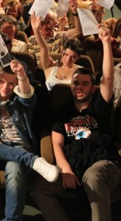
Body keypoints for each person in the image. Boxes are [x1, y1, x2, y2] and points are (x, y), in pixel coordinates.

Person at [31, 27, 120, 221]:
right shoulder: (62, 112)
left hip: (102, 164)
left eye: (85, 84)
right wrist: (66, 170)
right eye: (76, 83)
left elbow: (108, 78)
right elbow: (57, 144)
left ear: (93, 88)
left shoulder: (99, 107)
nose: (79, 87)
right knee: (40, 187)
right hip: (73, 167)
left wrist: (105, 42)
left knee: (92, 177)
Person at [0, 62, 60, 221]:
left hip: (18, 147)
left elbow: (27, 95)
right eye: (2, 82)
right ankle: (32, 160)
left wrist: (22, 75)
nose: (5, 87)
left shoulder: (21, 100)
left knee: (15, 168)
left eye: (11, 83)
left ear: (16, 84)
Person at [31, 13, 82, 91]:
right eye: (42, 23)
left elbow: (77, 31)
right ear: (62, 53)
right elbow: (43, 48)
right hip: (41, 75)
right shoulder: (32, 40)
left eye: (48, 22)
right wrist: (36, 30)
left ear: (54, 23)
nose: (45, 26)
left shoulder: (61, 36)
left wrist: (75, 13)